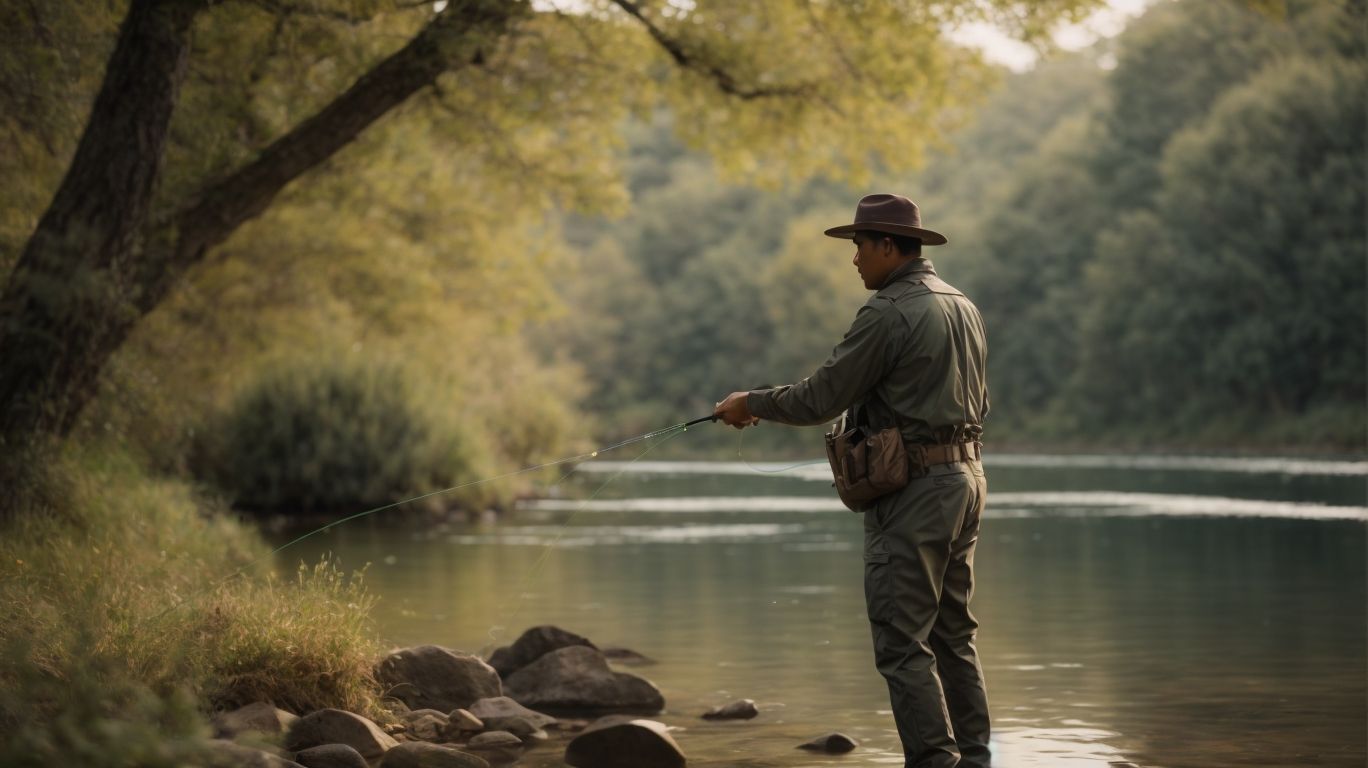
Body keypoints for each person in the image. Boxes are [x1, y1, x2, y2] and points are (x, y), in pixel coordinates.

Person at [713, 193, 991, 768]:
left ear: (889, 246)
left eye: (860, 246)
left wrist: (750, 402)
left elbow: (822, 396)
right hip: (967, 482)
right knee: (953, 636)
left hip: (915, 495)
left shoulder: (889, 311)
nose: (854, 258)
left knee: (901, 644)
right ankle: (976, 759)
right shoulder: (962, 304)